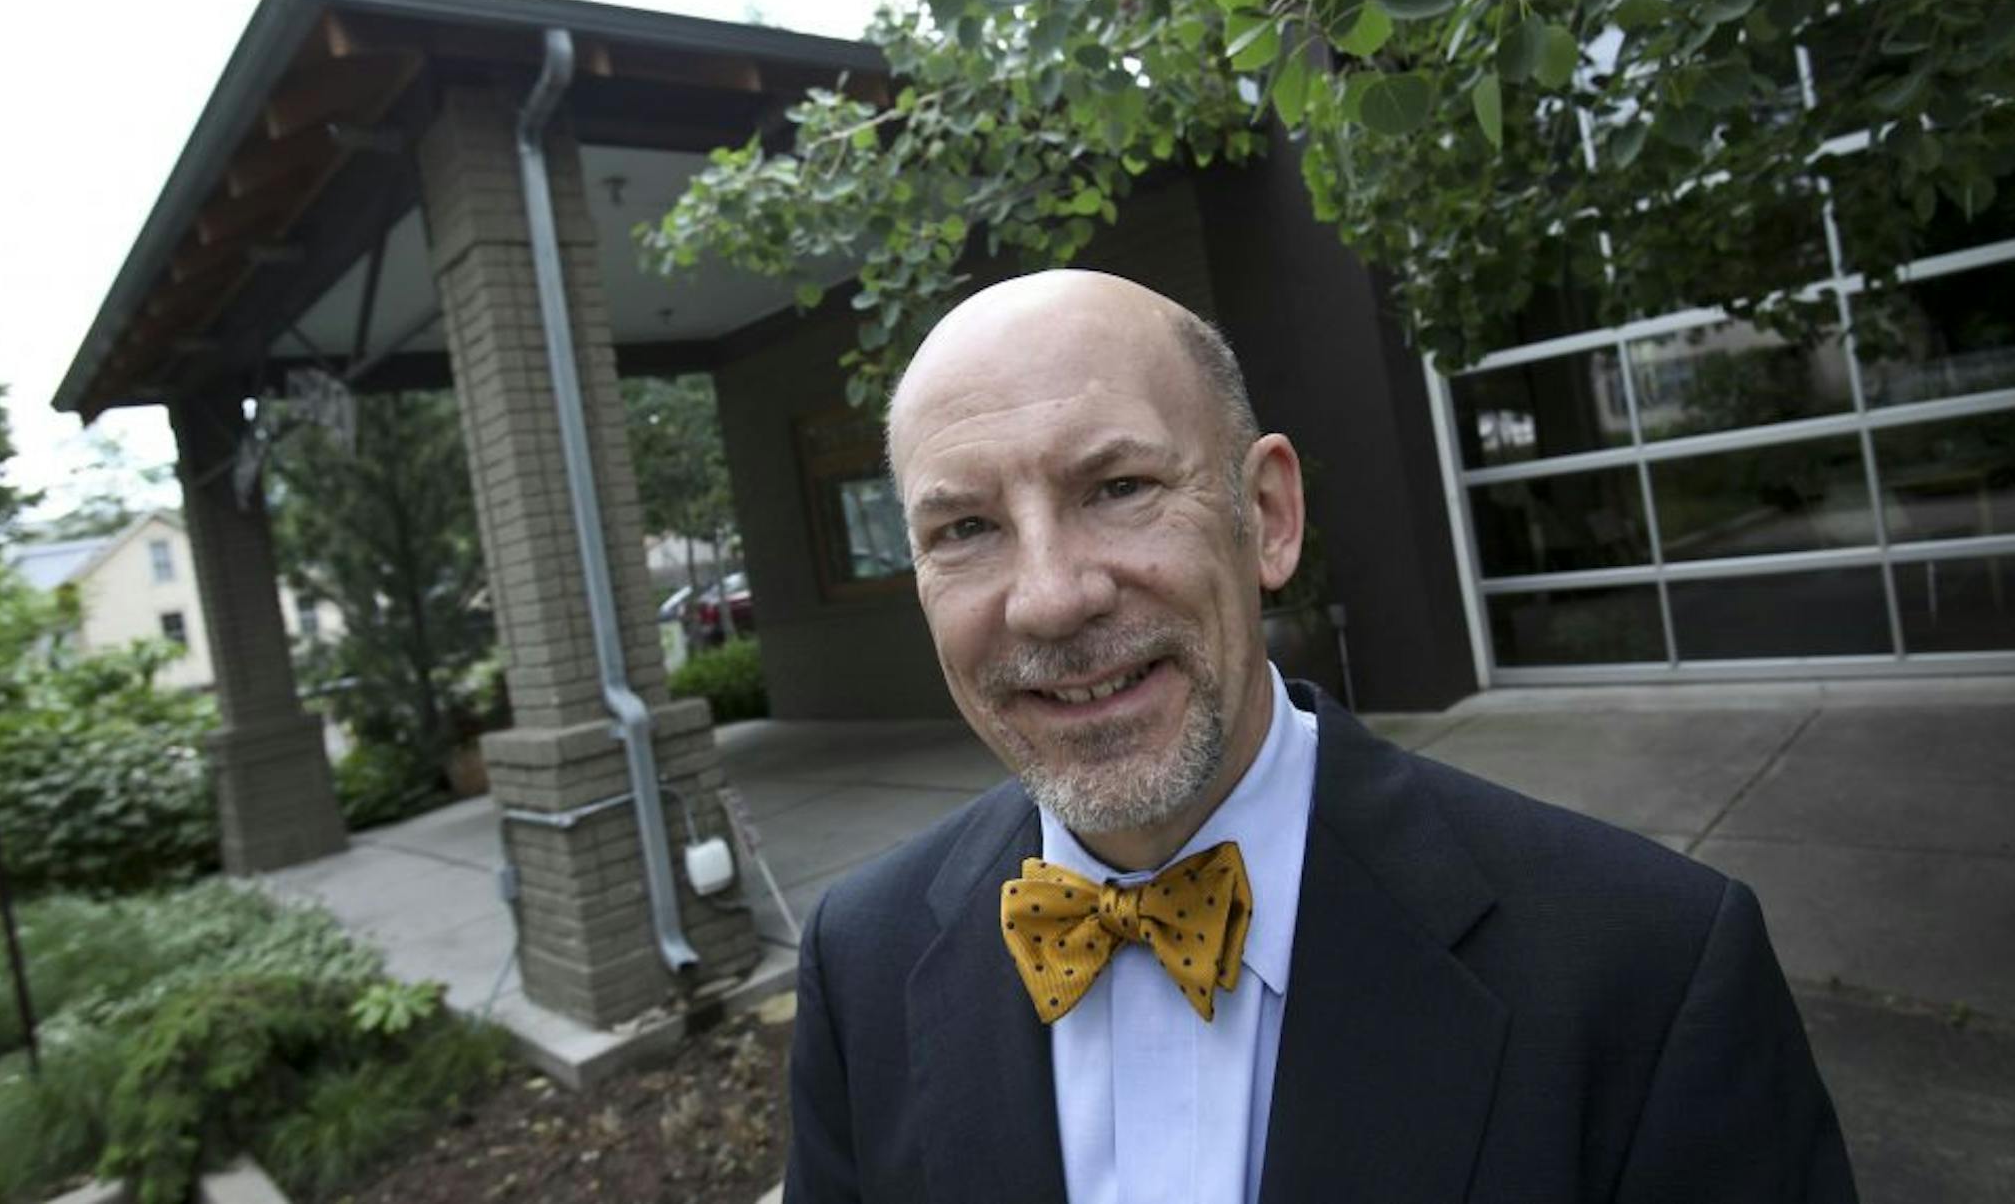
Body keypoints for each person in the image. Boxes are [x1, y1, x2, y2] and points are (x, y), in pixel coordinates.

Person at [785, 270, 1856, 1203]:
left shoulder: (1652, 969)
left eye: (1118, 488)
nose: (1052, 599)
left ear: (1268, 515)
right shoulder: (861, 960)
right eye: (966, 528)